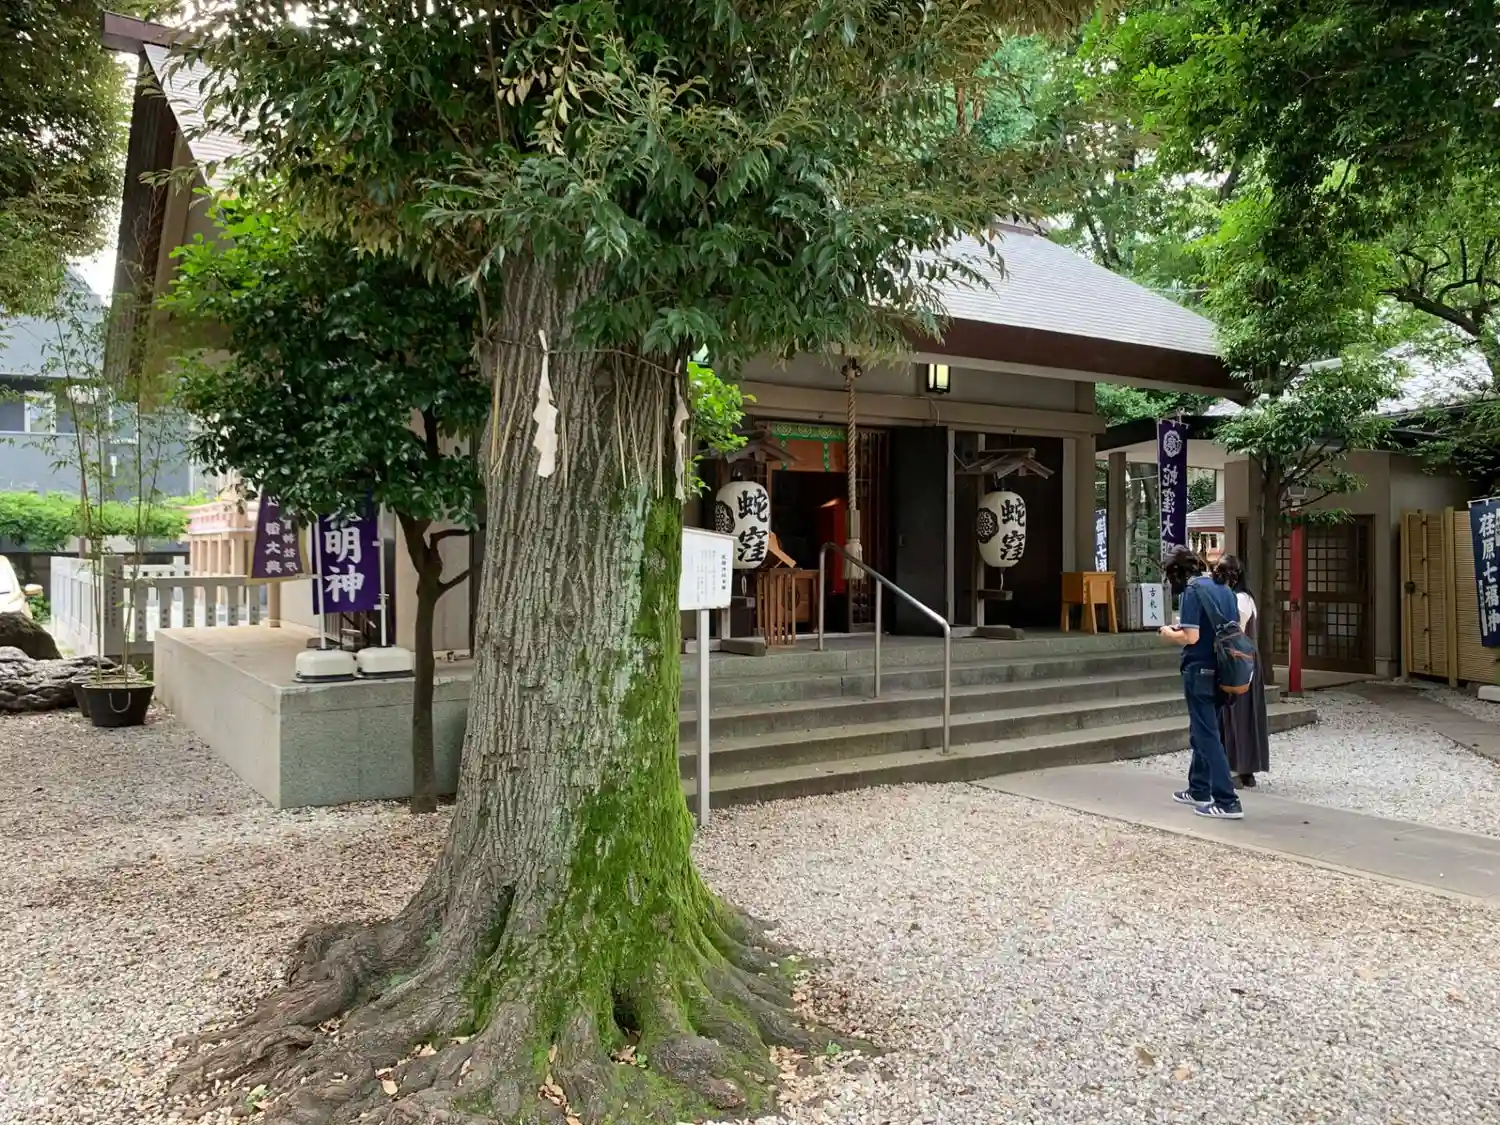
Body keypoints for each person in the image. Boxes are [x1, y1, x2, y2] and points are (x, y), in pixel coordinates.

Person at [1157, 545, 1244, 819]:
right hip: (1223, 669)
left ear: (1177, 573)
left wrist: (1168, 633)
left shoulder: (1192, 591)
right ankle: (1198, 788)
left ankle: (1227, 800)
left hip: (1200, 669)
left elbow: (1190, 637)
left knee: (1206, 736)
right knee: (1203, 729)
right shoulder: (1224, 589)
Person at [1214, 554, 1270, 788]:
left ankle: (1236, 768)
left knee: (1234, 715)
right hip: (1247, 660)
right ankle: (1247, 769)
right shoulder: (1246, 597)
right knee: (1247, 715)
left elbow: (1233, 632)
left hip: (1237, 662)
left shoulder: (1237, 599)